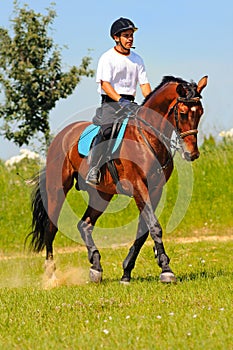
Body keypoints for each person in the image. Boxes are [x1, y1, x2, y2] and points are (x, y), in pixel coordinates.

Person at [86, 17, 152, 186]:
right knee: (107, 131)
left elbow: (144, 85)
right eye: (126, 35)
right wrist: (120, 100)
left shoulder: (138, 59)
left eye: (131, 35)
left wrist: (151, 103)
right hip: (111, 103)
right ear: (116, 37)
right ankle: (94, 169)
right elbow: (105, 84)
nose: (130, 38)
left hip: (131, 103)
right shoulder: (107, 58)